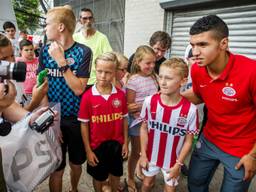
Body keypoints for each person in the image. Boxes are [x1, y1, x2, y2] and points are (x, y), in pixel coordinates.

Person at [181, 15, 256, 192]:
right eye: (192, 45)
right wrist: (169, 97)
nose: (195, 52)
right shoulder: (198, 69)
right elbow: (200, 95)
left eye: (203, 45)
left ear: (223, 44)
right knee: (195, 184)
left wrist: (253, 155)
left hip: (242, 149)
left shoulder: (251, 71)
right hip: (209, 139)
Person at [38, 5, 92, 192]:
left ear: (60, 27)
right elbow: (42, 89)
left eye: (47, 24)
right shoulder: (44, 51)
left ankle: (74, 188)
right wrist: (51, 120)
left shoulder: (83, 52)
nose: (44, 29)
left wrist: (61, 62)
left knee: (76, 164)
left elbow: (78, 89)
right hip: (53, 118)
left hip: (76, 119)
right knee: (56, 169)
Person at [138, 58, 198, 192]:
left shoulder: (190, 110)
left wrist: (179, 164)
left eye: (169, 78)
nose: (163, 82)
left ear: (183, 81)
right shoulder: (149, 101)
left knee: (170, 189)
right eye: (160, 77)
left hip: (173, 161)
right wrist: (142, 155)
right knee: (146, 184)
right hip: (151, 156)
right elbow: (143, 128)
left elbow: (189, 141)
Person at [78, 52, 128, 192]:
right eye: (100, 71)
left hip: (116, 144)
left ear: (114, 72)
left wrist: (125, 143)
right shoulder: (88, 97)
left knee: (116, 173)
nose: (103, 76)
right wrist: (88, 150)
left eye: (108, 72)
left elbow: (124, 119)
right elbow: (84, 124)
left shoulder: (120, 95)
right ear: (95, 69)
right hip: (97, 146)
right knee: (98, 177)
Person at [126, 45, 158, 192]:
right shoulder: (133, 80)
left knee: (146, 150)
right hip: (138, 122)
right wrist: (147, 105)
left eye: (153, 62)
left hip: (152, 121)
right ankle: (130, 177)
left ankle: (140, 169)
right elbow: (130, 106)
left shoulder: (153, 77)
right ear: (138, 62)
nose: (151, 66)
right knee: (137, 151)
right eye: (148, 63)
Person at [73, 8, 112, 88]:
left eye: (90, 18)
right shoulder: (74, 38)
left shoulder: (102, 38)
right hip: (78, 81)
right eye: (85, 18)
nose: (88, 21)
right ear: (80, 21)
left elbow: (110, 59)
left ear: (93, 20)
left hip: (96, 82)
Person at [16, 39, 38, 104]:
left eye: (31, 49)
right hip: (24, 94)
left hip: (38, 92)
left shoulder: (38, 60)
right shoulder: (17, 61)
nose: (30, 52)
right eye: (26, 50)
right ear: (21, 51)